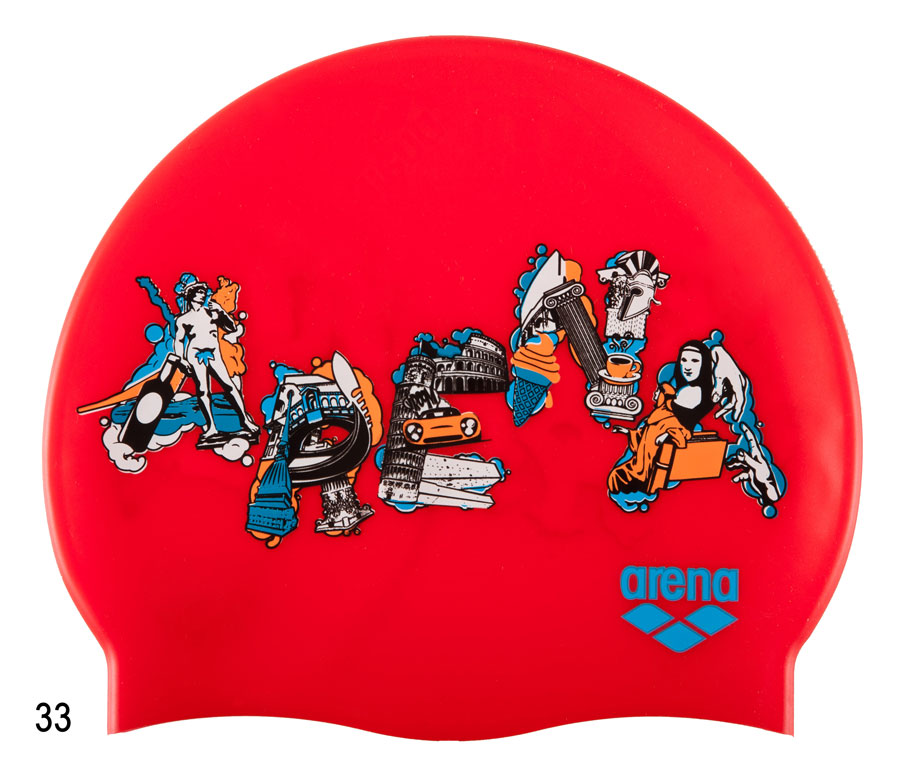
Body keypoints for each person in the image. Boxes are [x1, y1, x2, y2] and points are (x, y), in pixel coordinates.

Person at [607, 340, 714, 494]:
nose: (687, 366)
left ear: (704, 364)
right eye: (683, 360)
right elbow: (652, 429)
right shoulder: (681, 392)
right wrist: (629, 432)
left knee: (618, 477)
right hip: (648, 450)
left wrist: (666, 435)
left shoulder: (694, 393)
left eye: (695, 361)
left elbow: (680, 428)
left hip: (658, 450)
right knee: (618, 476)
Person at [173, 279, 259, 445]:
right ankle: (211, 427)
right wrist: (181, 359)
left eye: (203, 293)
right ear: (191, 296)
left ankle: (245, 420)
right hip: (195, 354)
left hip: (214, 353)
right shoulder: (183, 319)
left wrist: (221, 312)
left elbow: (231, 328)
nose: (203, 295)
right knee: (203, 390)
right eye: (199, 293)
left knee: (229, 386)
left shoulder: (212, 313)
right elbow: (179, 340)